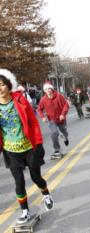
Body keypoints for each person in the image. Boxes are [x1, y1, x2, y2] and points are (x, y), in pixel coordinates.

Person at [0, 69, 53, 224]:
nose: (0, 88)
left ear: (8, 85)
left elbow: (33, 122)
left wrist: (39, 143)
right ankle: (25, 211)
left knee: (36, 177)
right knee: (19, 182)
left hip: (29, 147)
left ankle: (46, 193)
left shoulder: (20, 100)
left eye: (2, 85)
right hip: (11, 150)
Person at [37, 82, 69, 159]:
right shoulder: (43, 99)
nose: (48, 90)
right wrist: (43, 117)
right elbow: (39, 109)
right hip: (52, 120)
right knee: (54, 133)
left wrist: (63, 114)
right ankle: (57, 149)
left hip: (61, 118)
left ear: (52, 89)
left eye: (49, 88)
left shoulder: (59, 96)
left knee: (64, 131)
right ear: (44, 91)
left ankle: (66, 138)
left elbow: (66, 105)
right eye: (46, 89)